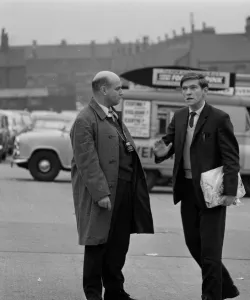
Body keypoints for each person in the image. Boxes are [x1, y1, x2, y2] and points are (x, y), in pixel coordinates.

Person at [153, 73, 240, 300]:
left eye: (192, 88)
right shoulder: (180, 116)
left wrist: (230, 191)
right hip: (187, 190)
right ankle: (226, 287)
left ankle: (211, 296)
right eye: (184, 89)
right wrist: (161, 152)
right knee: (194, 245)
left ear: (205, 90)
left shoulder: (220, 118)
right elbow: (169, 144)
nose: (188, 93)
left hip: (212, 191)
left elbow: (231, 156)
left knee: (210, 250)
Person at [70, 71, 154, 300]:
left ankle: (115, 291)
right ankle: (93, 294)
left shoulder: (112, 115)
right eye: (118, 88)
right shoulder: (85, 119)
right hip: (105, 194)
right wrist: (100, 194)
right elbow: (87, 162)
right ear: (103, 90)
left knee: (118, 245)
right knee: (97, 244)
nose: (121, 92)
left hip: (124, 191)